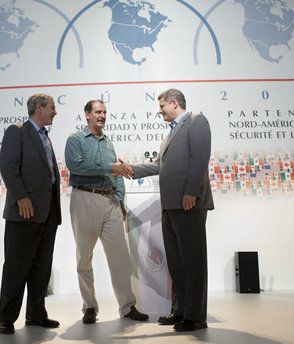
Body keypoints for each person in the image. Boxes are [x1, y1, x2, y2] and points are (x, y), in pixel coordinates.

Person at [124, 88, 214, 331]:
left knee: (192, 262)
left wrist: (191, 192)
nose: (159, 110)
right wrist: (129, 169)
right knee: (177, 263)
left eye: (162, 105)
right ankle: (180, 311)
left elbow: (199, 159)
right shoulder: (171, 134)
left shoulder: (196, 122)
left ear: (175, 103)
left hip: (188, 203)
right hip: (172, 206)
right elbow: (158, 166)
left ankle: (195, 317)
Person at [64, 99, 148, 324]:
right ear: (87, 114)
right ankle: (89, 306)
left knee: (121, 257)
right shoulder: (76, 140)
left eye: (104, 112)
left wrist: (120, 201)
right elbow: (77, 166)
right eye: (98, 112)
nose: (102, 115)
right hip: (85, 198)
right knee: (84, 257)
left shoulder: (108, 142)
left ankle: (128, 307)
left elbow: (117, 174)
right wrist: (110, 167)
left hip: (110, 201)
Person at [0, 94, 61, 334]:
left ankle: (36, 315)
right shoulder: (17, 131)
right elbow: (8, 167)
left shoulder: (45, 136)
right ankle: (6, 318)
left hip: (48, 213)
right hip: (24, 211)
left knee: (42, 268)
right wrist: (21, 197)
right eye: (52, 108)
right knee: (16, 267)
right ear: (39, 108)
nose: (55, 112)